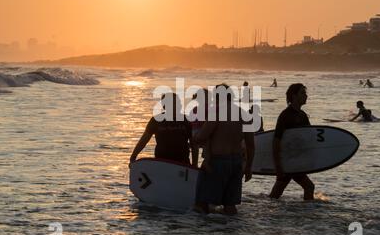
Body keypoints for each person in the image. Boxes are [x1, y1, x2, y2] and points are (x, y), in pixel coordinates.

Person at [194, 84, 255, 215]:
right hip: (237, 162)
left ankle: (208, 234)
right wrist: (249, 167)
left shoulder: (216, 113)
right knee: (230, 206)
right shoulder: (244, 114)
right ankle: (231, 232)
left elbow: (202, 136)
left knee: (202, 204)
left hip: (217, 163)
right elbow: (251, 144)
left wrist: (194, 134)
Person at [269, 83, 315, 201]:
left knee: (277, 192)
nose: (306, 96)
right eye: (302, 93)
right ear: (294, 96)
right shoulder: (286, 115)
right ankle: (308, 213)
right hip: (288, 161)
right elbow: (276, 140)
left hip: (295, 160)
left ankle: (270, 212)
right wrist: (278, 166)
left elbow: (308, 138)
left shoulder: (303, 115)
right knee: (309, 186)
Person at [129, 93, 194, 167]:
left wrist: (194, 165)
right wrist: (133, 156)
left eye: (178, 102)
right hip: (161, 162)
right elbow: (144, 139)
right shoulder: (156, 120)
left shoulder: (187, 120)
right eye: (174, 103)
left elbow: (194, 144)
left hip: (182, 162)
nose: (178, 105)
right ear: (164, 106)